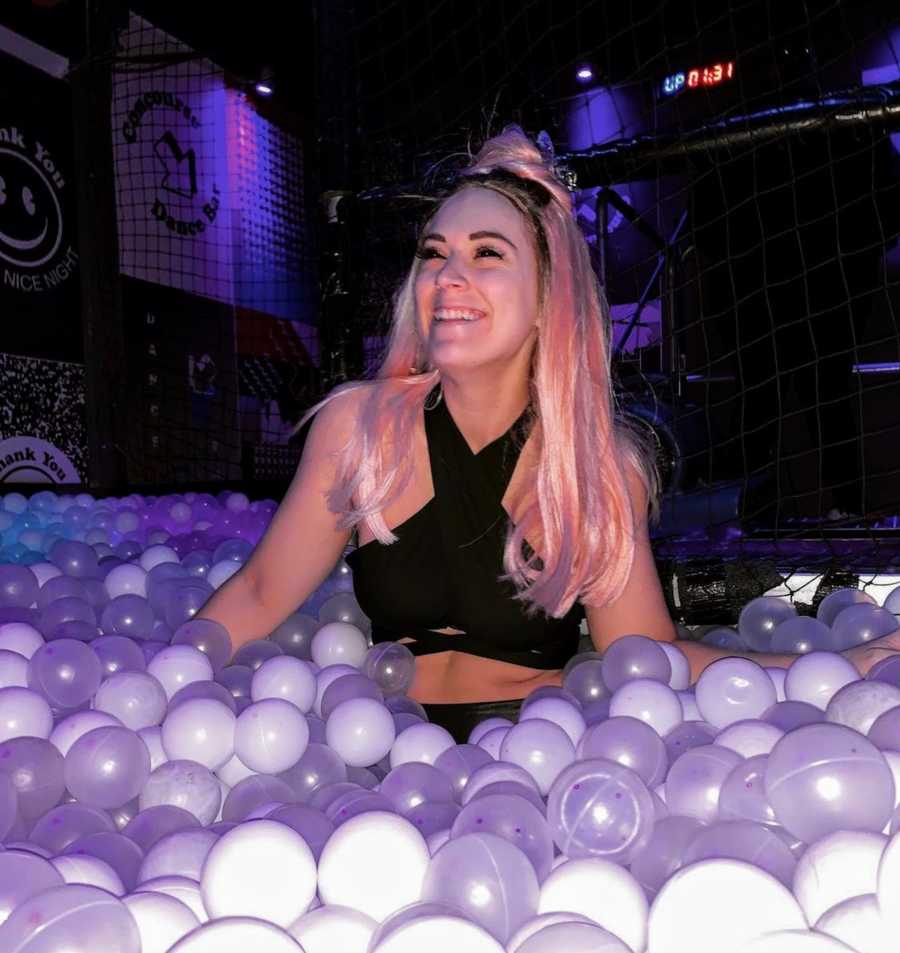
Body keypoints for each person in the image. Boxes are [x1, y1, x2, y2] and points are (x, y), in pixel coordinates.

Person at [197, 125, 900, 742]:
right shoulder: (360, 430)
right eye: (434, 254)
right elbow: (258, 594)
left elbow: (650, 656)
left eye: (486, 254)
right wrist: (156, 678)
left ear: (546, 296)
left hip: (538, 766)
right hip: (379, 753)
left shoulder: (594, 467)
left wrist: (842, 670)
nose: (448, 276)